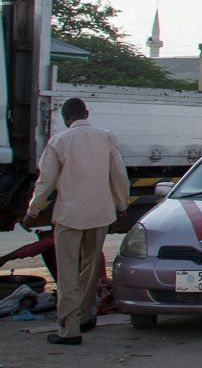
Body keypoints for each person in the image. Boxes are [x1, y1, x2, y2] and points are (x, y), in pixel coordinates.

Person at [21, 98, 128, 346]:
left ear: (64, 117)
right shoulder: (107, 137)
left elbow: (45, 182)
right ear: (87, 114)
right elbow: (119, 175)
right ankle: (84, 317)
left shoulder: (59, 141)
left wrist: (32, 212)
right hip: (100, 214)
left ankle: (70, 330)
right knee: (90, 268)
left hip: (70, 216)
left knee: (68, 271)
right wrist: (121, 205)